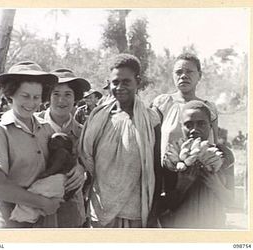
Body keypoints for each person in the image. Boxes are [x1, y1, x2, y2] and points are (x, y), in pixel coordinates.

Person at [79, 54, 161, 228]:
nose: (120, 87)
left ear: (137, 82)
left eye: (126, 81)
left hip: (135, 213)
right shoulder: (98, 118)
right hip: (99, 210)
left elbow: (155, 168)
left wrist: (154, 213)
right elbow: (87, 161)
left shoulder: (150, 119)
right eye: (115, 82)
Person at [0, 61, 62, 228]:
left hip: (43, 222)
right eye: (25, 96)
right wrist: (42, 202)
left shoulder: (46, 128)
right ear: (11, 95)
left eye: (36, 97)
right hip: (11, 222)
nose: (31, 103)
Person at [158, 100, 234, 229]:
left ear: (210, 126)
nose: (194, 129)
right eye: (188, 124)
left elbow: (231, 201)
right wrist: (182, 187)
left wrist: (215, 185)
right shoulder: (173, 156)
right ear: (182, 127)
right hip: (181, 229)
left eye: (201, 124)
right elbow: (164, 206)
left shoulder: (224, 155)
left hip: (213, 228)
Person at [35, 68, 91, 228]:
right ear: (47, 97)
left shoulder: (83, 132)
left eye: (68, 94)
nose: (62, 100)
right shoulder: (32, 125)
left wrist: (83, 171)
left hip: (71, 213)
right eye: (56, 94)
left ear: (76, 98)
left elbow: (94, 170)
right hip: (34, 212)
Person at [151, 53, 219, 161]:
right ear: (173, 75)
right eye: (178, 72)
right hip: (168, 172)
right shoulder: (163, 104)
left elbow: (215, 144)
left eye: (189, 72)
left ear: (199, 75)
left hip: (202, 173)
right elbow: (152, 143)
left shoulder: (208, 108)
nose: (183, 76)